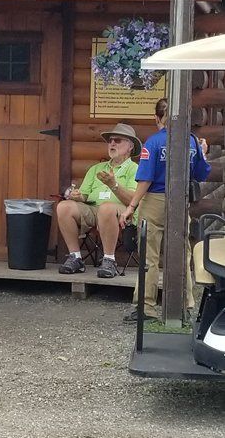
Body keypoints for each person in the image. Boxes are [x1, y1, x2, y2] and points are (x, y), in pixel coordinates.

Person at [120, 98, 211, 322]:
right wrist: (203, 152)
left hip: (155, 201)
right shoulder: (191, 142)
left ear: (157, 118)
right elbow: (201, 174)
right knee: (182, 255)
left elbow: (145, 179)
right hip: (181, 202)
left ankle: (146, 308)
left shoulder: (153, 143)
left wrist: (131, 206)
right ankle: (184, 307)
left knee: (149, 257)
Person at [56, 123, 141, 278]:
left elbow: (133, 199)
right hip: (94, 210)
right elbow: (84, 195)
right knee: (64, 207)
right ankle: (75, 258)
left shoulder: (134, 169)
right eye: (110, 141)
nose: (112, 143)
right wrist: (77, 196)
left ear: (130, 147)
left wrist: (113, 185)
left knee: (107, 208)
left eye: (117, 140)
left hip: (123, 213)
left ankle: (109, 260)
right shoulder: (97, 168)